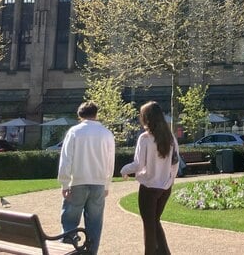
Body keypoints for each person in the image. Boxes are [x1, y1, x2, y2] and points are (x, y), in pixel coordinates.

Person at [58, 101, 116, 255]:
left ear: (79, 115)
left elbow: (66, 159)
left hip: (77, 182)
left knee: (70, 223)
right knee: (95, 224)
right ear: (96, 114)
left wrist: (64, 183)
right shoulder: (106, 133)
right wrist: (106, 185)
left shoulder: (74, 132)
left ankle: (69, 251)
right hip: (98, 183)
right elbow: (110, 163)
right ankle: (91, 252)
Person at [121, 102, 178, 254]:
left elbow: (138, 164)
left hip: (149, 188)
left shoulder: (145, 138)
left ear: (146, 118)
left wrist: (124, 170)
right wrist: (170, 180)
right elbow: (175, 162)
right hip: (165, 187)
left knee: (149, 225)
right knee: (154, 222)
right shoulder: (170, 137)